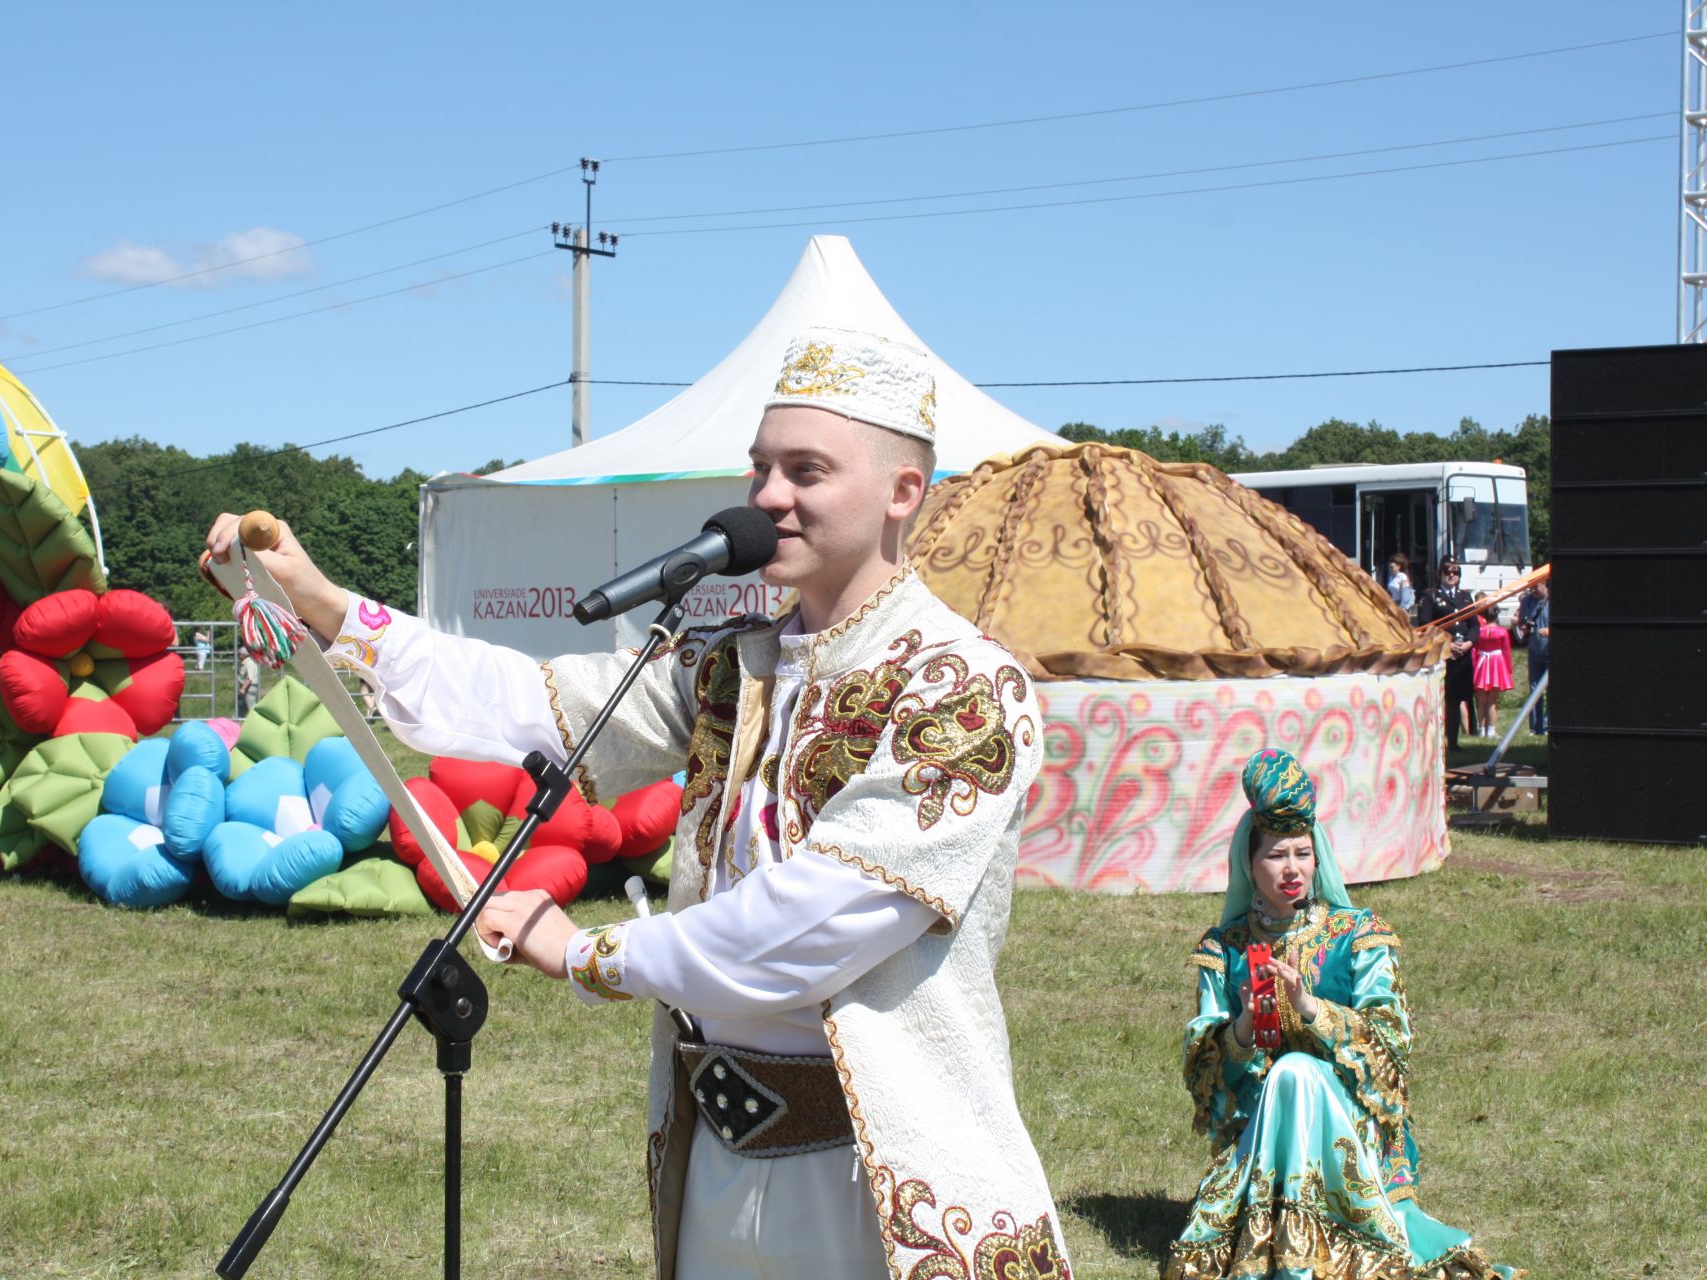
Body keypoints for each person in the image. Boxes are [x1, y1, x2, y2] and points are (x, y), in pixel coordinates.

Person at [205, 327, 1069, 1280]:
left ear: (904, 493)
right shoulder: (735, 658)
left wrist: (583, 952)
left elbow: (818, 923)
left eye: (807, 471)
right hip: (715, 1157)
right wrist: (327, 605)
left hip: (881, 1186)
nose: (768, 496)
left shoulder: (962, 687)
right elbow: (543, 710)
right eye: (761, 468)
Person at [1165, 748, 1521, 1280]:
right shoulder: (1226, 949)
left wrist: (1311, 1010)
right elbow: (1207, 1085)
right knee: (1289, 1075)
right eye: (1276, 855)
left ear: (1319, 856)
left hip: (1349, 1126)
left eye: (1303, 854)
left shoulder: (1360, 937)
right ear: (1249, 862)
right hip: (1263, 1132)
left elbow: (1392, 1054)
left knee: (1300, 1072)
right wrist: (1242, 1025)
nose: (1292, 870)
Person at [1417, 559, 1475, 749]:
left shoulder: (1465, 597)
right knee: (1440, 698)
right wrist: (1447, 644)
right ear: (1440, 574)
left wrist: (1468, 643)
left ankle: (1453, 741)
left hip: (1462, 655)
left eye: (1456, 572)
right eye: (1447, 572)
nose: (1452, 575)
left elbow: (1474, 625)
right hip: (1442, 654)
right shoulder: (1430, 596)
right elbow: (1426, 625)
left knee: (1456, 698)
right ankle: (1436, 740)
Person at [1471, 597, 1514, 741]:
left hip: (1482, 661)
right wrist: (1508, 669)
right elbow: (1506, 652)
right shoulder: (1502, 632)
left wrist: (1475, 665)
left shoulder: (1480, 631)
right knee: (1492, 701)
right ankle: (1491, 730)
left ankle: (1481, 729)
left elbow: (1474, 650)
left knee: (1481, 699)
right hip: (1497, 663)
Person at [1514, 581, 1549, 734]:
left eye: (1536, 587)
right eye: (1530, 588)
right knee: (1534, 689)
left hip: (1551, 650)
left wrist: (1548, 630)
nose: (1533, 590)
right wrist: (1524, 627)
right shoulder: (1526, 601)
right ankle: (1536, 726)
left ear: (1544, 584)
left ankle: (1549, 724)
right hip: (1534, 649)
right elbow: (1522, 621)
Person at [236, 651, 261, 716]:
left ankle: (256, 723)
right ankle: (234, 722)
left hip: (249, 688)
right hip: (246, 687)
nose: (238, 655)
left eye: (239, 654)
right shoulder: (245, 663)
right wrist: (237, 671)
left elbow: (249, 678)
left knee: (251, 708)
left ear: (244, 655)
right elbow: (243, 676)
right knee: (242, 707)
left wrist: (243, 689)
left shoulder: (249, 663)